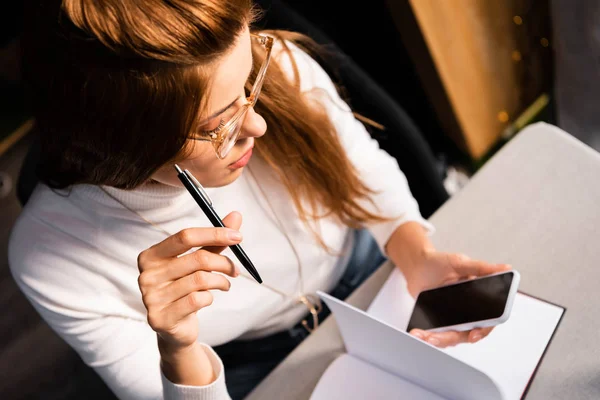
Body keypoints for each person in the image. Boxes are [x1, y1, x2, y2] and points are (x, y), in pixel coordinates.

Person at [9, 1, 510, 399]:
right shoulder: (51, 256)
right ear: (123, 142)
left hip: (368, 270)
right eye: (216, 125)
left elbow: (364, 167)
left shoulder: (284, 67)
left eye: (251, 79)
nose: (259, 123)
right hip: (251, 358)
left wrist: (416, 254)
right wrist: (179, 346)